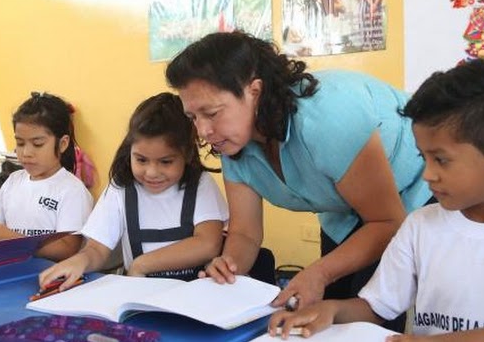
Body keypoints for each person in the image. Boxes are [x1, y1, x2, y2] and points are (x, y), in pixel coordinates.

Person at [268, 60, 484, 341]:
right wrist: (331, 310)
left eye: (441, 160)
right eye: (423, 158)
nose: (427, 175)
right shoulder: (421, 226)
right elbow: (376, 307)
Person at [165, 31, 432, 332]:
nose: (203, 131)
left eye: (211, 113)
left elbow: (386, 222)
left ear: (254, 91)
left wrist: (319, 273)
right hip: (345, 212)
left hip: (416, 192)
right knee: (322, 319)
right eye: (193, 118)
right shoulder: (232, 142)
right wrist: (229, 266)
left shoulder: (325, 118)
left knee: (369, 318)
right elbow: (245, 233)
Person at [38, 92, 228, 292]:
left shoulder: (200, 184)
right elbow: (97, 249)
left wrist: (142, 264)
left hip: (196, 297)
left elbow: (208, 244)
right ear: (130, 151)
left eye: (166, 162)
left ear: (187, 154)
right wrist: (80, 261)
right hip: (143, 300)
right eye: (141, 160)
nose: (152, 172)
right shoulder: (120, 188)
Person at [0, 92, 93, 262]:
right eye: (20, 143)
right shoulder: (13, 180)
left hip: (51, 279)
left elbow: (67, 249)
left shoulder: (72, 190)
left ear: (63, 143)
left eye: (37, 144)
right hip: (11, 271)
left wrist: (11, 239)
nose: (26, 153)